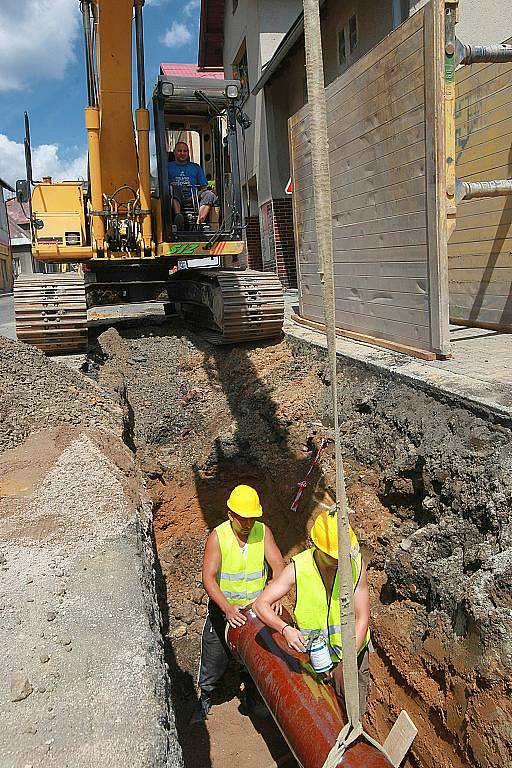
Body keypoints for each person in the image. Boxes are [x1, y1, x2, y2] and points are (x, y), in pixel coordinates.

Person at [253, 509, 371, 717]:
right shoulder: (299, 568)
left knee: (353, 715)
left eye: (341, 554)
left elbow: (361, 619)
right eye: (332, 555)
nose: (338, 560)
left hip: (353, 654)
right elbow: (261, 604)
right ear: (317, 546)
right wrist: (285, 629)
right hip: (317, 657)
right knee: (323, 714)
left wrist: (347, 662)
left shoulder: (355, 565)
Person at [191, 484, 285, 724]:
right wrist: (228, 609)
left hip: (255, 611)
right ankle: (206, 696)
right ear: (230, 515)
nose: (248, 523)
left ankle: (254, 694)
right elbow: (208, 579)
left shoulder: (263, 533)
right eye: (243, 518)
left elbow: (278, 567)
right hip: (225, 610)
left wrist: (273, 595)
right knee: (214, 656)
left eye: (252, 518)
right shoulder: (218, 537)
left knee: (258, 656)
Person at [168, 141, 218, 228]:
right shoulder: (167, 167)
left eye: (185, 151)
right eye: (179, 151)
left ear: (188, 153)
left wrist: (200, 192)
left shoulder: (196, 167)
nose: (182, 153)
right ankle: (178, 216)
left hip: (193, 196)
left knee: (210, 195)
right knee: (173, 189)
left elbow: (204, 186)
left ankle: (199, 222)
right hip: (174, 197)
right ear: (174, 152)